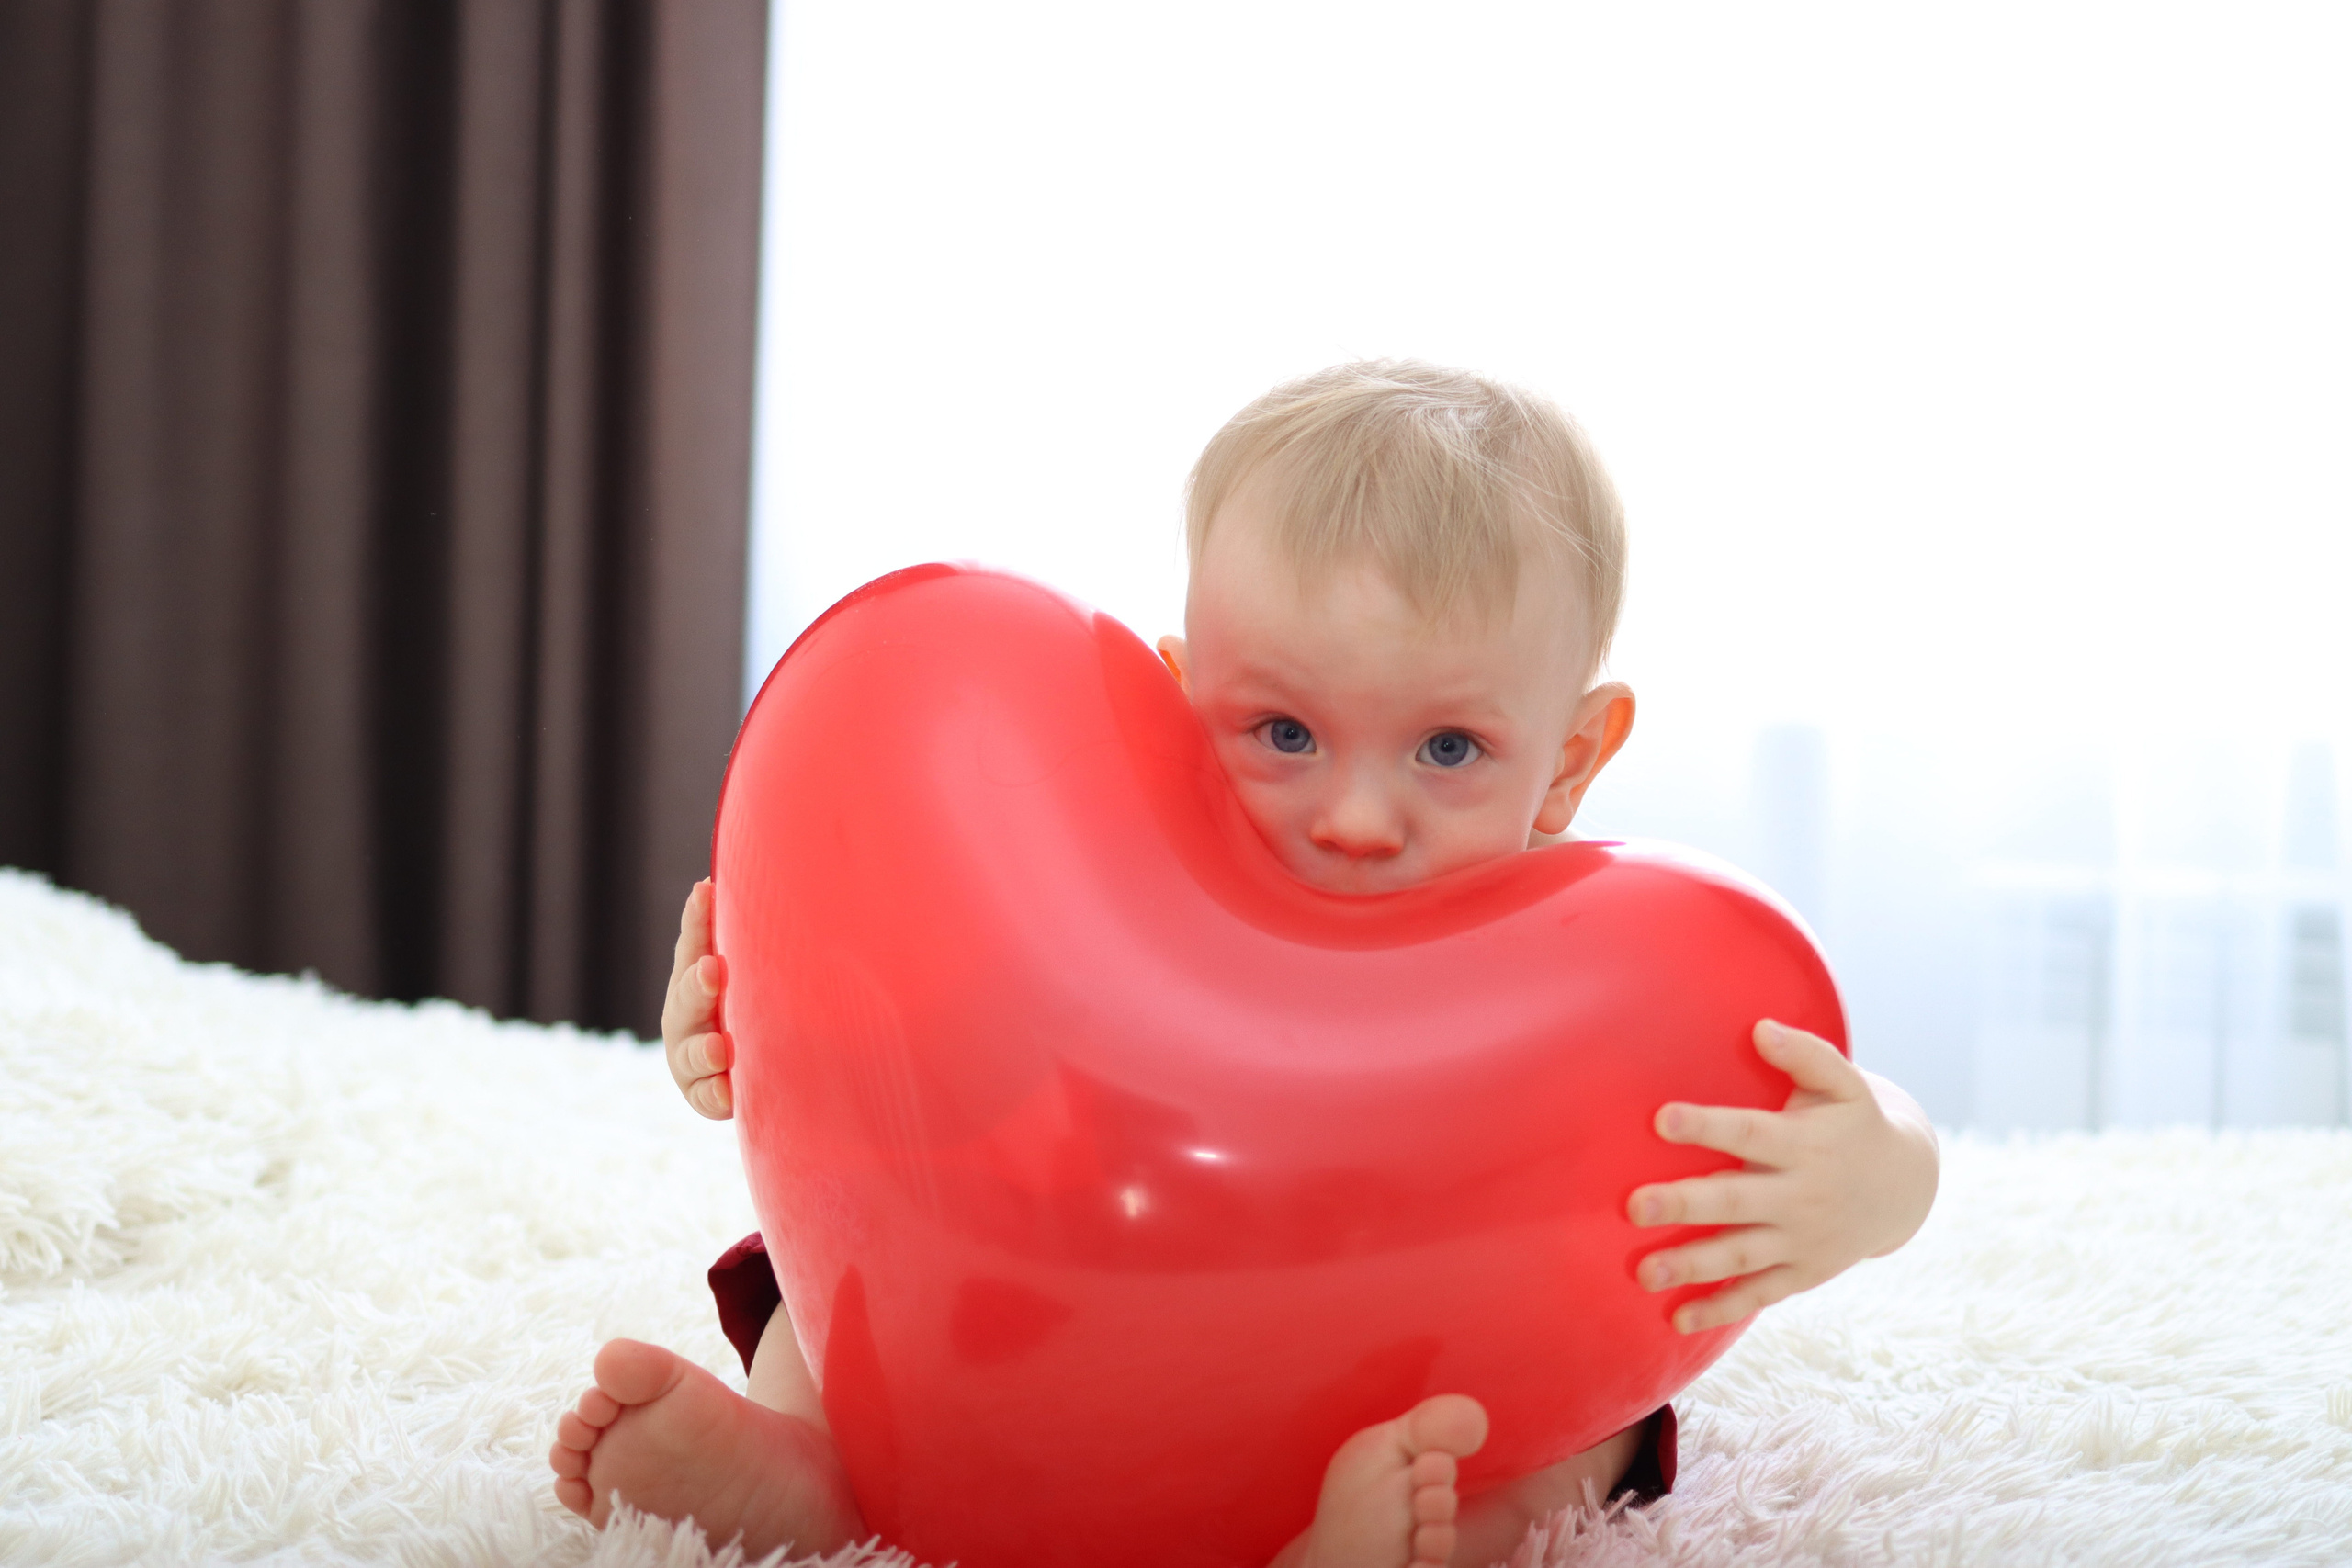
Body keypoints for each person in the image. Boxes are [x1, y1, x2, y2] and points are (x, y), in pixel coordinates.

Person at [548, 362, 1940, 1567]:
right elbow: (924, 1055)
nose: (1354, 816)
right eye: (1281, 732)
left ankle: (1360, 1543)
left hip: (1436, 1344)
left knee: (1566, 1445)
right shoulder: (1098, 902)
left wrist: (1875, 1176)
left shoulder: (1593, 969)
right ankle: (809, 1469)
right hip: (1081, 1293)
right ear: (1168, 697)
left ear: (1571, 758)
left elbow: (1821, 1096)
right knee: (843, 1293)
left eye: (1448, 751)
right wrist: (744, 1023)